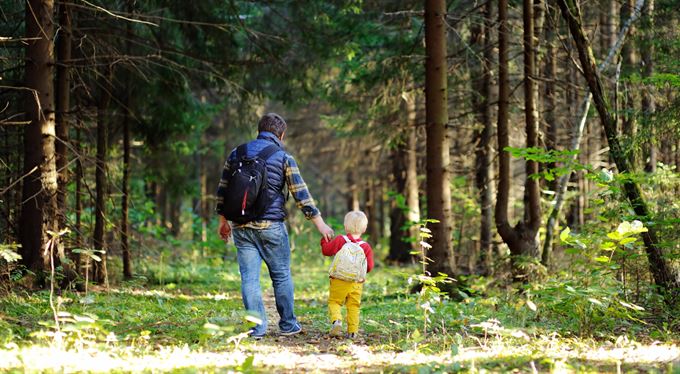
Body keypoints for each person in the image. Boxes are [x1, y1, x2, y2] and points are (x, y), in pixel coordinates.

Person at [216, 113, 334, 339]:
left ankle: (256, 328)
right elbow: (301, 195)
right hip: (271, 226)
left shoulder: (236, 153)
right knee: (280, 276)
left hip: (241, 226)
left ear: (259, 130)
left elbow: (223, 190)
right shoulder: (283, 157)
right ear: (281, 134)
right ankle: (288, 325)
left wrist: (223, 222)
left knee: (249, 278)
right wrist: (320, 224)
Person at [320, 210, 374, 338]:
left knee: (334, 302)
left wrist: (324, 240)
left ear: (345, 227)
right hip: (356, 283)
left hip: (338, 280)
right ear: (364, 228)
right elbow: (369, 267)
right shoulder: (365, 247)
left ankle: (337, 320)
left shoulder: (340, 240)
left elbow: (326, 251)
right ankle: (353, 332)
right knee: (354, 306)